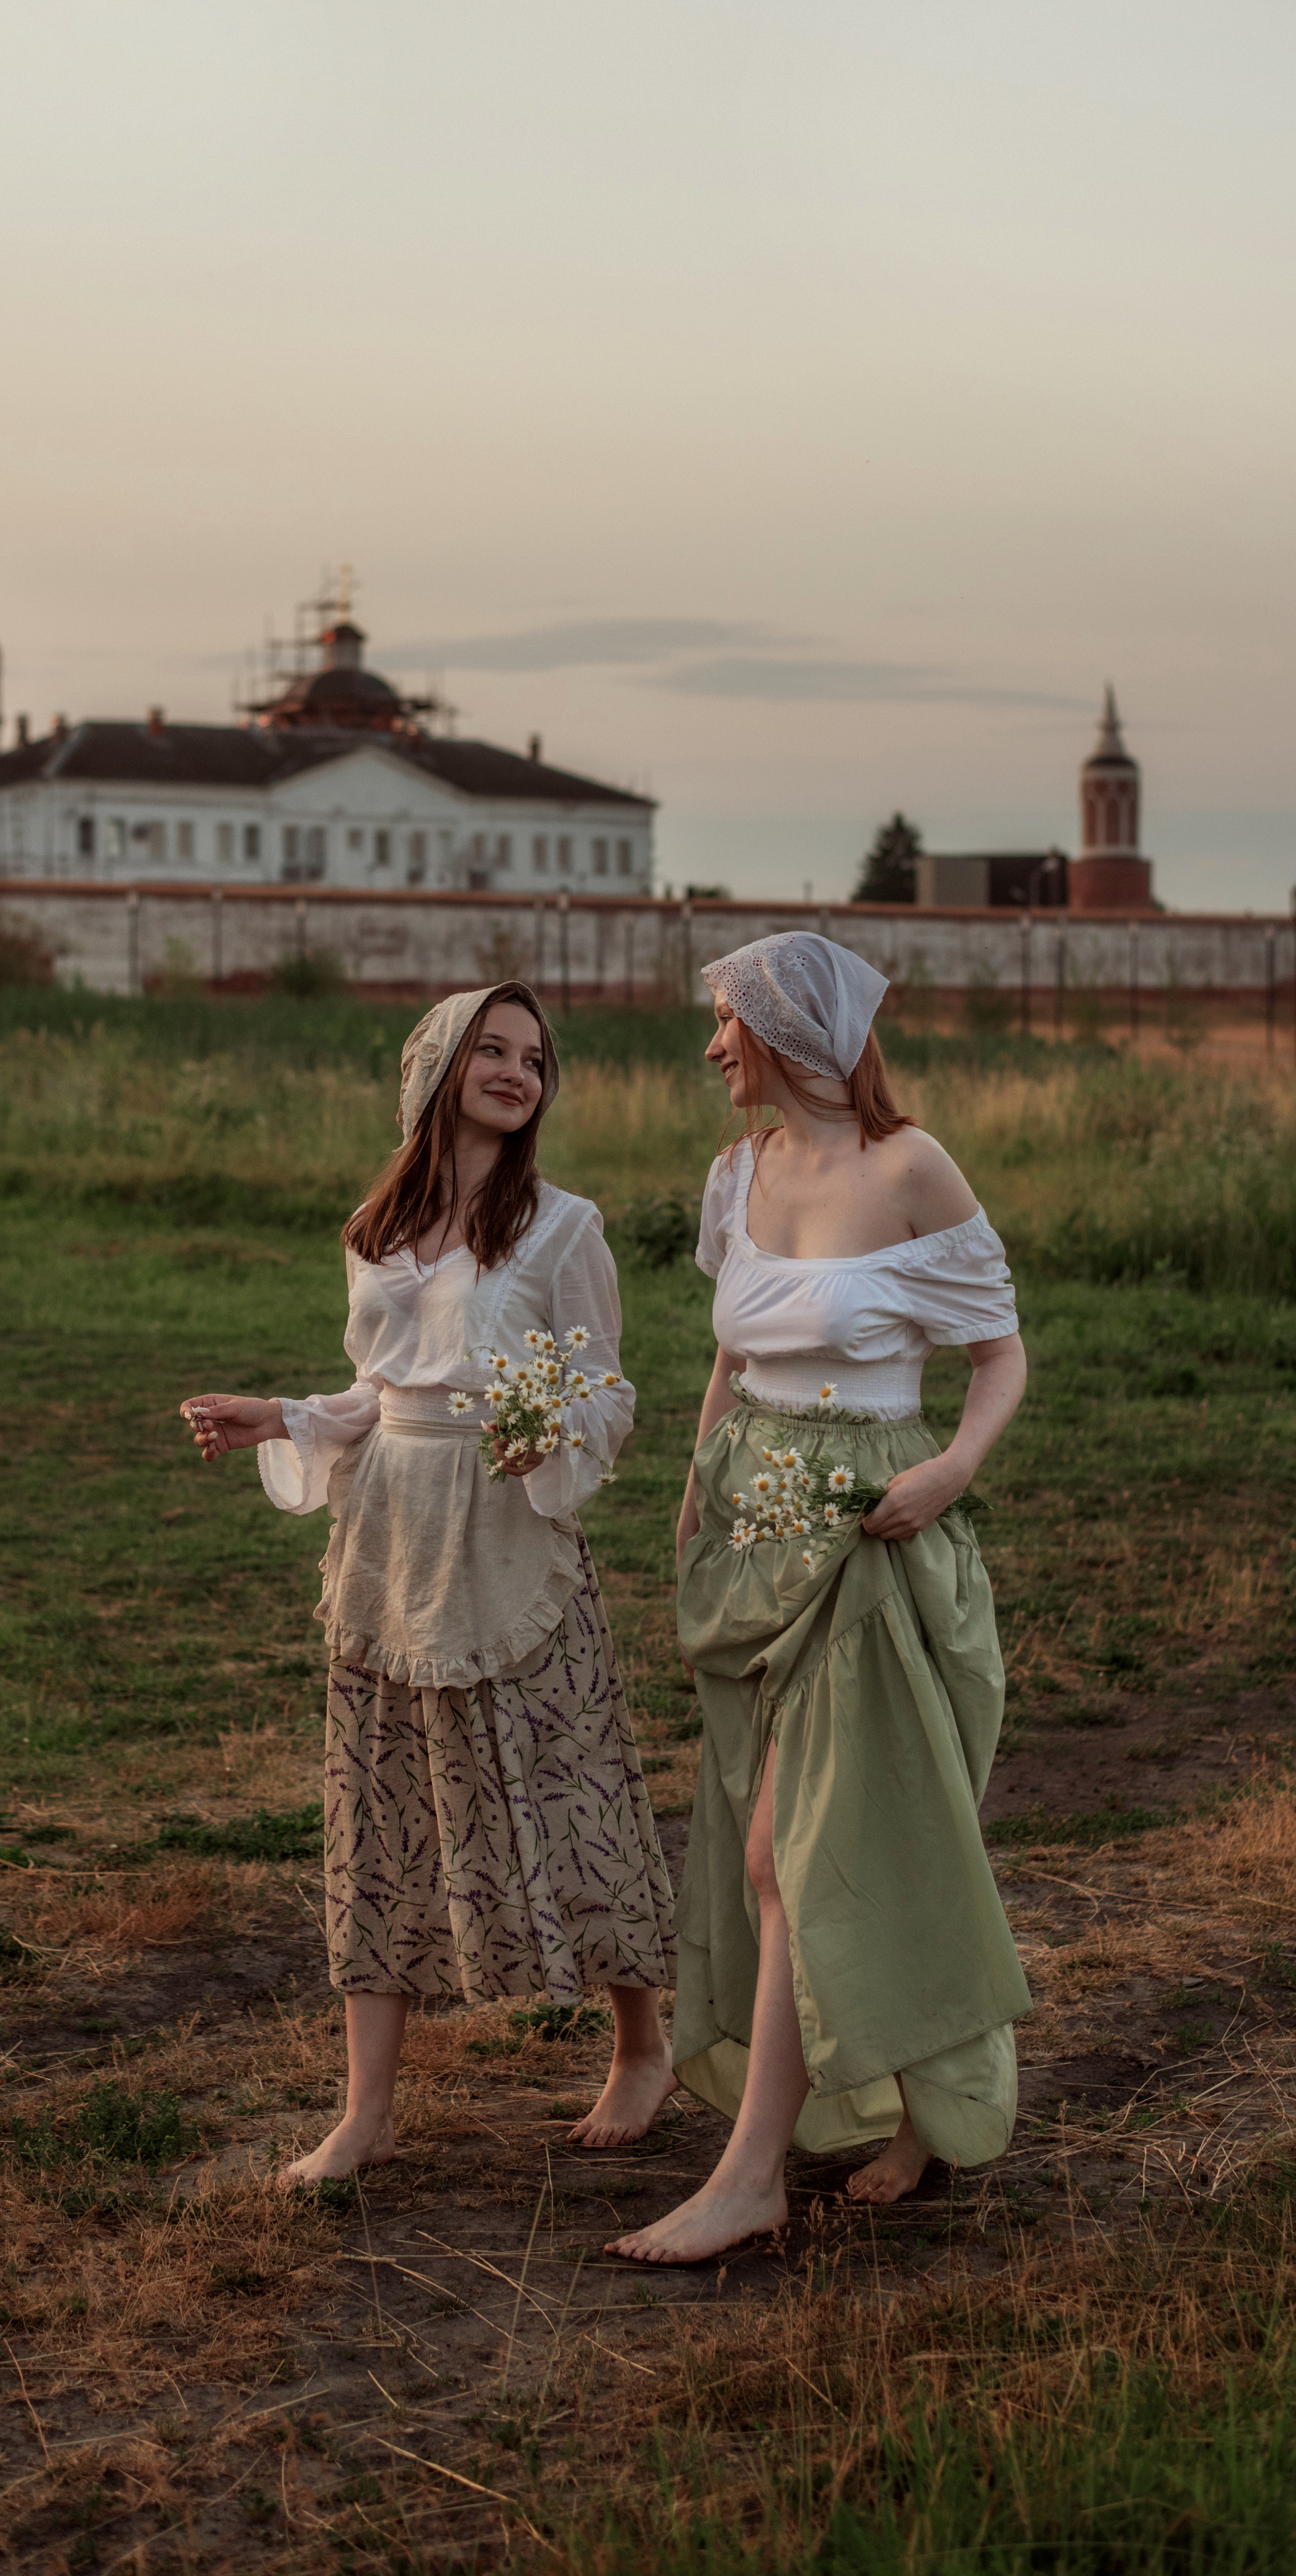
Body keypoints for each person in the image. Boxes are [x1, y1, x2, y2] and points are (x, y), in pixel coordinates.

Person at [182, 981, 676, 2186]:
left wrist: (547, 1432)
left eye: (536, 1059)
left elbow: (608, 1392)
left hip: (507, 1525)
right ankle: (365, 2112)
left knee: (567, 1786)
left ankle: (643, 2045)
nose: (519, 1072)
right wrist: (282, 1415)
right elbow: (383, 1392)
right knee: (379, 1802)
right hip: (393, 1532)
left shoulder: (564, 1229)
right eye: (495, 1050)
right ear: (443, 1065)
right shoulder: (374, 1228)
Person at [608, 932, 1031, 2266]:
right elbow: (733, 1351)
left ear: (788, 1031)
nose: (709, 1047)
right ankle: (898, 2105)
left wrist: (951, 1471)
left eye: (724, 1023)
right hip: (750, 1521)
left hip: (866, 1520)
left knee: (794, 1841)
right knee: (805, 1837)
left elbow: (998, 1353)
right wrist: (693, 1485)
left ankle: (749, 2177)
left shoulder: (907, 1167)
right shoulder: (735, 1173)